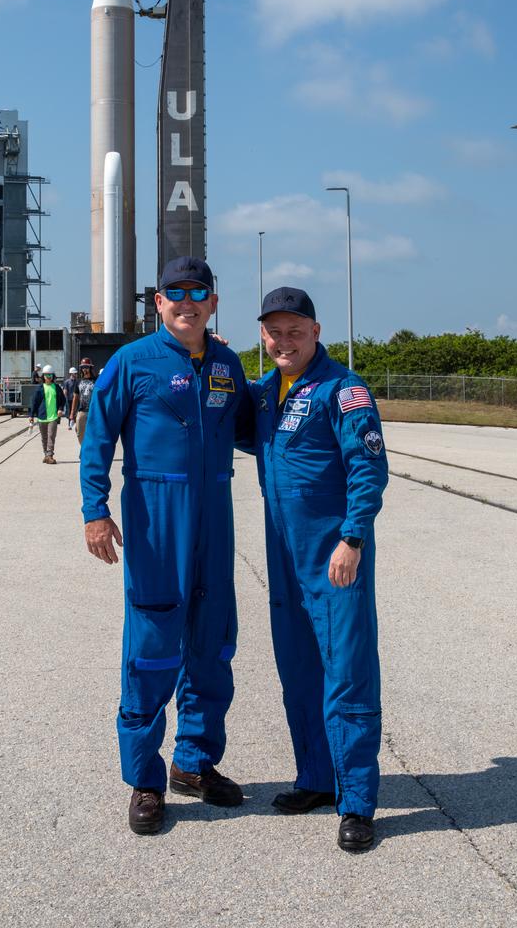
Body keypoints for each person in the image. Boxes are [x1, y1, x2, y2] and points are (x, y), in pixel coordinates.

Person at [81, 256, 249, 837]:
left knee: (211, 646)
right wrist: (94, 511)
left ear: (213, 300)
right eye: (174, 292)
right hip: (156, 520)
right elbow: (97, 437)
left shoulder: (228, 362)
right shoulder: (131, 362)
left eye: (197, 292)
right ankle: (145, 781)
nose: (186, 302)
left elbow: (257, 427)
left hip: (215, 518)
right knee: (152, 649)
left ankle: (194, 764)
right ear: (158, 302)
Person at [238, 287, 387, 853]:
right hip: (283, 558)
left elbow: (368, 468)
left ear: (316, 331)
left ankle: (356, 802)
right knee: (299, 671)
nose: (284, 340)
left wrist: (353, 537)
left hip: (334, 558)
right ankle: (317, 779)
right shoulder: (266, 395)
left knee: (347, 673)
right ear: (264, 336)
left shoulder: (343, 390)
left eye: (294, 330)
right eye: (274, 331)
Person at [29, 365, 66, 464]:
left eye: (50, 374)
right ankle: (46, 455)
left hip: (53, 417)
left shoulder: (57, 387)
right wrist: (31, 415)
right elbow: (34, 403)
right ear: (43, 376)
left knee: (51, 436)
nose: (48, 376)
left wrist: (60, 409)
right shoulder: (40, 388)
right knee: (44, 438)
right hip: (42, 417)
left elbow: (63, 400)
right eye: (46, 375)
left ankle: (50, 455)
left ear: (53, 376)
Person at [70, 358, 96, 446]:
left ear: (90, 368)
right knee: (79, 432)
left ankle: (91, 452)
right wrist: (72, 413)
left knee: (93, 434)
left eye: (87, 367)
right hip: (82, 411)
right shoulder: (78, 381)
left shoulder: (96, 381)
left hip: (93, 411)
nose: (85, 369)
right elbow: (75, 398)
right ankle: (83, 450)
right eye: (83, 367)